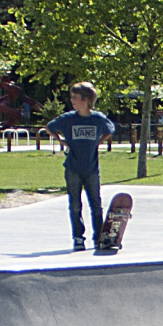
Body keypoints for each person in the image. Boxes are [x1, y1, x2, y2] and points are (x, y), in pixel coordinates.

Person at [46, 82, 117, 251]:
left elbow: (110, 129)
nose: (72, 101)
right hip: (73, 168)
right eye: (71, 98)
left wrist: (100, 141)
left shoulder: (97, 118)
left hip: (91, 169)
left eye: (75, 98)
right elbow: (49, 127)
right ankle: (78, 237)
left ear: (86, 100)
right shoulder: (69, 118)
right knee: (75, 205)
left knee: (96, 204)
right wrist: (60, 140)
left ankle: (99, 236)